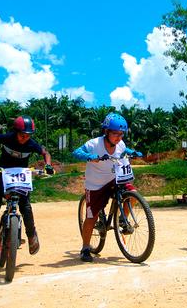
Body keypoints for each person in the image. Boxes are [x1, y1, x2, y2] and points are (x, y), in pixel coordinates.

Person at [0, 115, 55, 255]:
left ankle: (32, 236)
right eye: (22, 134)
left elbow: (46, 153)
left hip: (21, 176)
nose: (25, 138)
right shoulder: (7, 138)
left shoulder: (32, 144)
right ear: (15, 131)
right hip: (4, 173)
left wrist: (48, 165)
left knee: (25, 206)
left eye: (28, 135)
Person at [72, 112, 142, 262]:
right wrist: (88, 156)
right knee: (92, 216)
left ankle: (122, 220)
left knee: (133, 193)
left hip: (115, 179)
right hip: (95, 185)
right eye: (115, 134)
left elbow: (124, 150)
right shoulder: (94, 144)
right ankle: (85, 248)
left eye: (121, 134)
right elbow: (76, 152)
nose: (119, 138)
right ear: (106, 131)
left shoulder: (120, 144)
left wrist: (133, 152)